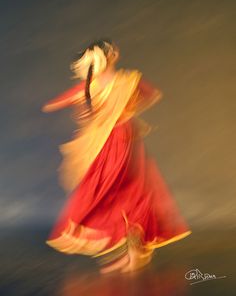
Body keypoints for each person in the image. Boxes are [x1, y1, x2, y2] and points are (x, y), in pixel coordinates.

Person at [41, 39, 192, 274]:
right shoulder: (127, 80)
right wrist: (126, 109)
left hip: (110, 142)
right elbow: (153, 95)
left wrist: (90, 111)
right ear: (111, 55)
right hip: (121, 139)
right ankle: (134, 252)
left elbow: (52, 105)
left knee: (117, 193)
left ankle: (134, 252)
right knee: (129, 193)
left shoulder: (93, 86)